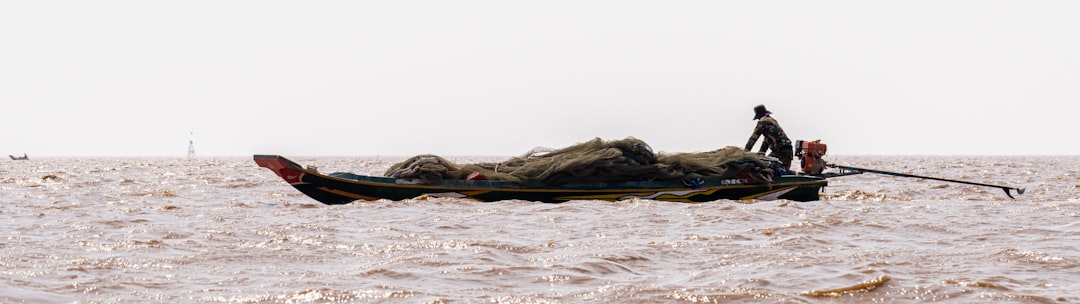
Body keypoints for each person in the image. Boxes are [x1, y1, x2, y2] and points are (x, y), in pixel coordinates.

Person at [745, 104, 793, 171]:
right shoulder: (772, 120)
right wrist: (761, 154)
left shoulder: (763, 121)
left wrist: (745, 153)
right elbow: (766, 141)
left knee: (766, 168)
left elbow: (753, 139)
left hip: (780, 151)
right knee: (782, 171)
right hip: (788, 150)